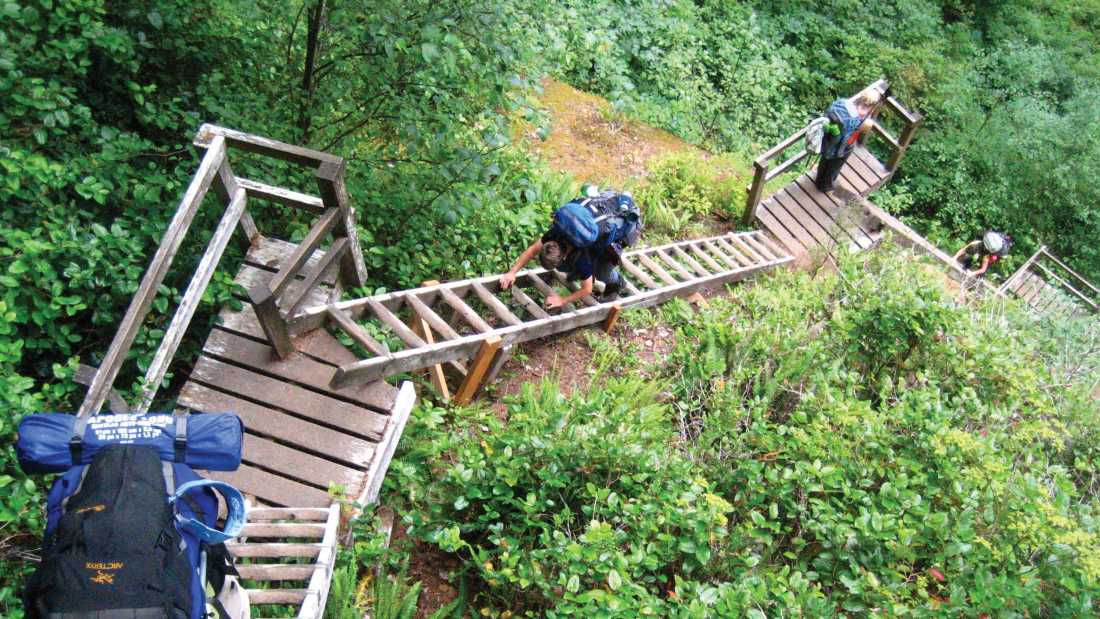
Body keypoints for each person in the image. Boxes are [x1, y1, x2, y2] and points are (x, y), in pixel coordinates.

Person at [500, 188, 638, 309]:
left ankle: (617, 283)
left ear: (564, 257)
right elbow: (531, 250)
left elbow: (587, 289)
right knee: (575, 270)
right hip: (595, 225)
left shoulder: (581, 257)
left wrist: (562, 300)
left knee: (602, 272)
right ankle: (582, 274)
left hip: (618, 229)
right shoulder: (554, 234)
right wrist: (512, 272)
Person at [815, 89, 883, 192]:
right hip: (846, 144)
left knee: (826, 158)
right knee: (835, 165)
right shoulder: (865, 119)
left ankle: (818, 178)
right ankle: (825, 185)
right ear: (873, 104)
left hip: (831, 138)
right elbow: (861, 130)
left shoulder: (845, 103)